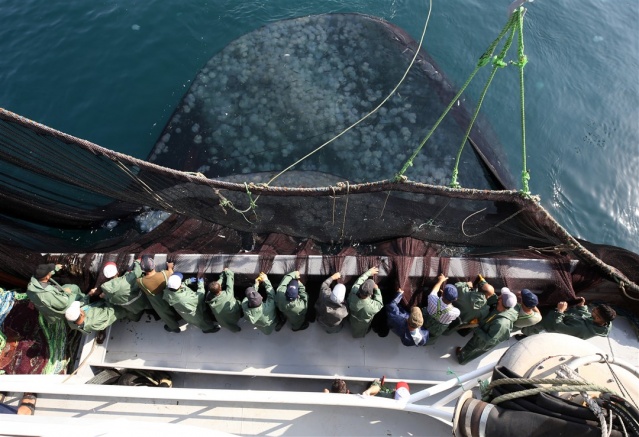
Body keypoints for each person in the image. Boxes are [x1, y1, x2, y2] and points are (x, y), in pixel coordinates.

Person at [455, 288, 518, 365]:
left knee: (472, 348)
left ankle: (462, 359)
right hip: (486, 329)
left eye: (501, 295)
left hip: (484, 341)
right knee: (471, 346)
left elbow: (490, 340)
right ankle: (463, 353)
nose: (499, 295)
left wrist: (476, 328)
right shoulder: (503, 306)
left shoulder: (501, 323)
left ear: (500, 300)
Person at [520, 297, 616, 339]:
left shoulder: (581, 330)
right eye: (594, 309)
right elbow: (586, 315)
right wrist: (582, 306)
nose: (592, 311)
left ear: (599, 319)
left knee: (532, 326)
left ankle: (525, 334)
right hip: (563, 315)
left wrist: (560, 311)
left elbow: (556, 326)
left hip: (550, 322)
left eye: (595, 312)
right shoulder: (603, 322)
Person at [136, 255, 182, 333]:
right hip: (169, 296)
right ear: (154, 265)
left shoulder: (140, 281)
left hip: (158, 303)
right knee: (174, 308)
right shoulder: (164, 274)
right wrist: (170, 267)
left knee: (165, 315)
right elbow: (171, 273)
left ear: (142, 269)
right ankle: (179, 317)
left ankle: (174, 328)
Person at [423, 274, 461, 344]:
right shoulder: (456, 312)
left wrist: (441, 280)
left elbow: (435, 290)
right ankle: (429, 342)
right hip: (437, 329)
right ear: (455, 299)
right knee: (434, 335)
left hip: (425, 321)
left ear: (442, 294)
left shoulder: (432, 298)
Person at [347, 266, 383, 338]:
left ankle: (356, 334)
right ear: (371, 294)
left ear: (360, 288)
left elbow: (358, 281)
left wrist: (369, 272)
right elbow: (379, 304)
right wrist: (377, 290)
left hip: (353, 318)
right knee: (363, 330)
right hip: (364, 323)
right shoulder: (373, 307)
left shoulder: (353, 293)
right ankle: (360, 335)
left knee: (354, 326)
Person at [205, 268, 242, 332]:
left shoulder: (208, 296)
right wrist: (227, 271)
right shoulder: (228, 294)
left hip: (222, 321)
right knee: (238, 300)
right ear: (220, 288)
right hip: (234, 317)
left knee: (228, 324)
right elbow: (230, 280)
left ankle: (235, 329)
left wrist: (222, 276)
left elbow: (216, 285)